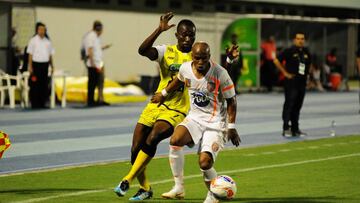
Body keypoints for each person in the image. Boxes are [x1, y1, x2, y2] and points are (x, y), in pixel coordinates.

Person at [114, 12, 196, 201]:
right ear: (177, 35)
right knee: (135, 149)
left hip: (177, 109)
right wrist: (159, 30)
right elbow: (142, 50)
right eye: (184, 34)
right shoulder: (166, 51)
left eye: (191, 35)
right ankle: (145, 189)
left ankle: (127, 179)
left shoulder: (196, 57)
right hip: (155, 104)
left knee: (154, 137)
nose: (188, 38)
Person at [152, 42, 240, 203]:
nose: (200, 62)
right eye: (197, 58)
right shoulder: (185, 68)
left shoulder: (220, 73)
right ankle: (178, 187)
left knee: (204, 162)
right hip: (195, 118)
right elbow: (178, 81)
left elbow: (232, 101)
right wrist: (163, 93)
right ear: (192, 57)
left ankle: (214, 195)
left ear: (209, 56)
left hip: (216, 123)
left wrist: (231, 127)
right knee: (175, 140)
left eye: (204, 58)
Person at [273, 31, 311, 137]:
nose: (300, 41)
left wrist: (308, 77)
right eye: (298, 38)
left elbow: (309, 65)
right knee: (289, 104)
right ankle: (286, 128)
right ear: (294, 40)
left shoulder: (306, 51)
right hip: (291, 82)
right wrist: (285, 73)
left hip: (302, 83)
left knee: (298, 106)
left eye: (302, 39)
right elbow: (276, 61)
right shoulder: (289, 51)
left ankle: (295, 128)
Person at [82, 20, 111, 107]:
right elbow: (90, 50)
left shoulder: (97, 37)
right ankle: (90, 101)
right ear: (99, 29)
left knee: (98, 82)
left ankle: (99, 99)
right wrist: (92, 63)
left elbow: (96, 49)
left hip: (98, 63)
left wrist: (104, 47)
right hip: (93, 64)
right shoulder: (91, 36)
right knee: (92, 83)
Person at [27, 22, 55, 109]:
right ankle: (35, 103)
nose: (42, 31)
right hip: (36, 65)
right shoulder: (33, 40)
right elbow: (30, 54)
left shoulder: (48, 42)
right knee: (35, 85)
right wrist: (30, 66)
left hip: (45, 64)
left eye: (43, 30)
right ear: (37, 30)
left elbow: (50, 55)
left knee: (44, 84)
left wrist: (52, 65)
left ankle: (42, 103)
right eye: (40, 29)